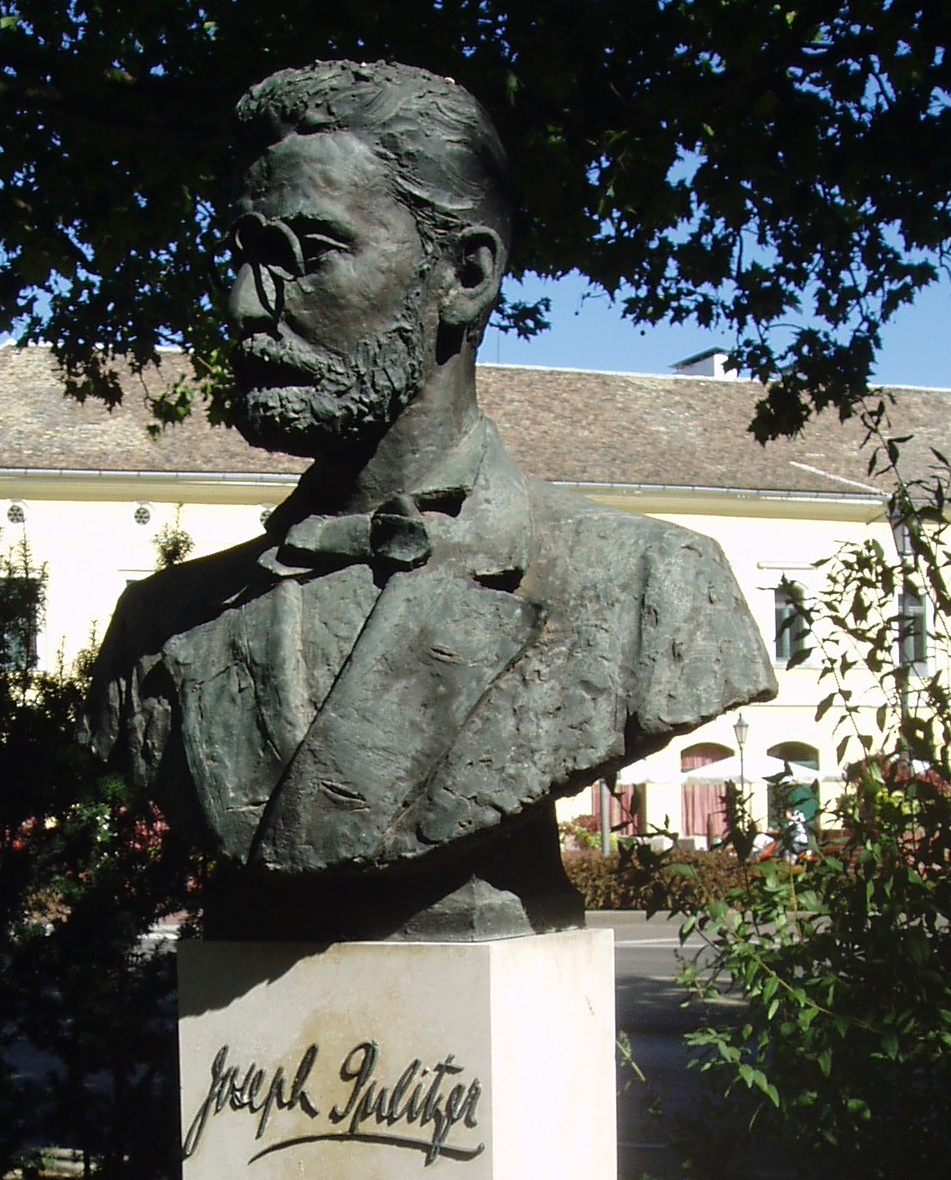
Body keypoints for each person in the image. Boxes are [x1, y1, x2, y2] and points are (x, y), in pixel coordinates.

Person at [89, 60, 775, 938]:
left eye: (308, 254)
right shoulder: (158, 630)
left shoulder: (651, 588)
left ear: (466, 275)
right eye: (246, 255)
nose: (245, 306)